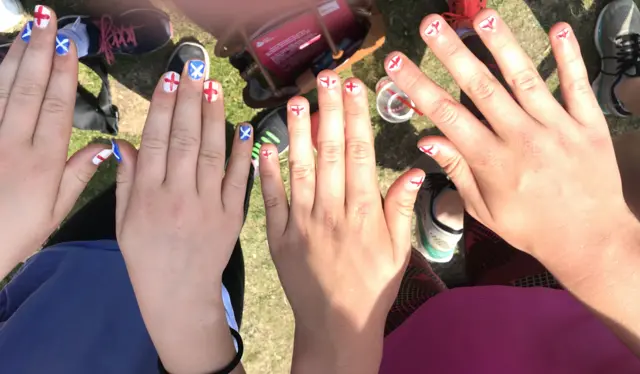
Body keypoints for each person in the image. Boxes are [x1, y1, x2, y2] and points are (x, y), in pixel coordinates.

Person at [2, 5, 640, 374]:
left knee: (149, 247)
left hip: (390, 341)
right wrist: (605, 250)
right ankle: (440, 217)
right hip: (562, 316)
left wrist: (332, 345)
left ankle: (232, 151)